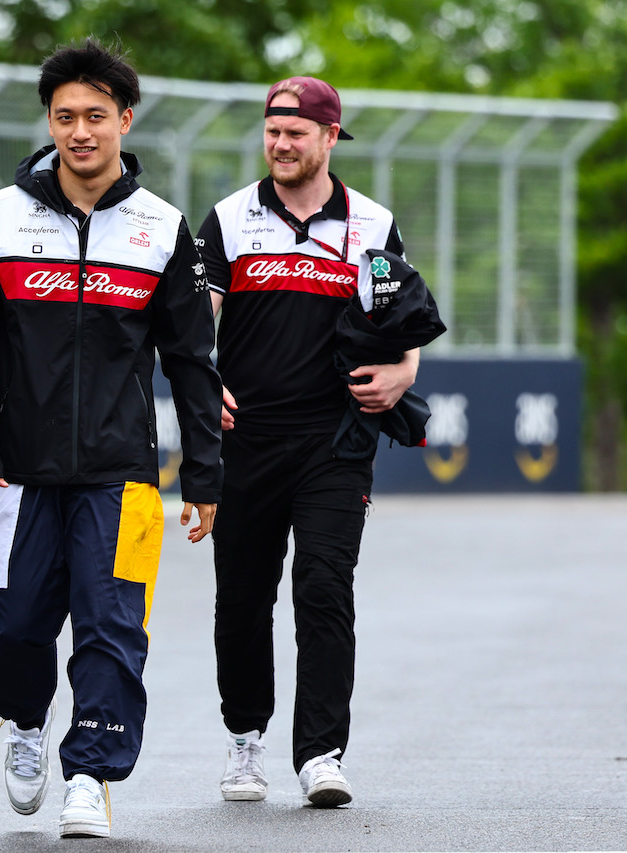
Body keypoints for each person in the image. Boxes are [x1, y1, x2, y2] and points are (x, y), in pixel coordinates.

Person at [0, 37, 223, 840]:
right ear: (49, 122)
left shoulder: (162, 228)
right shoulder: (0, 216)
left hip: (122, 474)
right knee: (16, 624)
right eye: (65, 116)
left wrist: (205, 474)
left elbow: (193, 362)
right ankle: (26, 723)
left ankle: (91, 775)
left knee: (111, 625)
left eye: (96, 115)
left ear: (125, 120)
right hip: (16, 475)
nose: (80, 132)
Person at [194, 76, 421, 808]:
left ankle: (322, 752)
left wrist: (401, 372)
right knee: (243, 597)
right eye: (272, 132)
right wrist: (202, 381)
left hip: (335, 443)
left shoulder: (372, 225)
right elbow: (197, 324)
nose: (281, 144)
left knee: (325, 588)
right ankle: (244, 739)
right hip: (246, 440)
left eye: (296, 133)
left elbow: (403, 323)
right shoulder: (229, 220)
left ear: (330, 138)